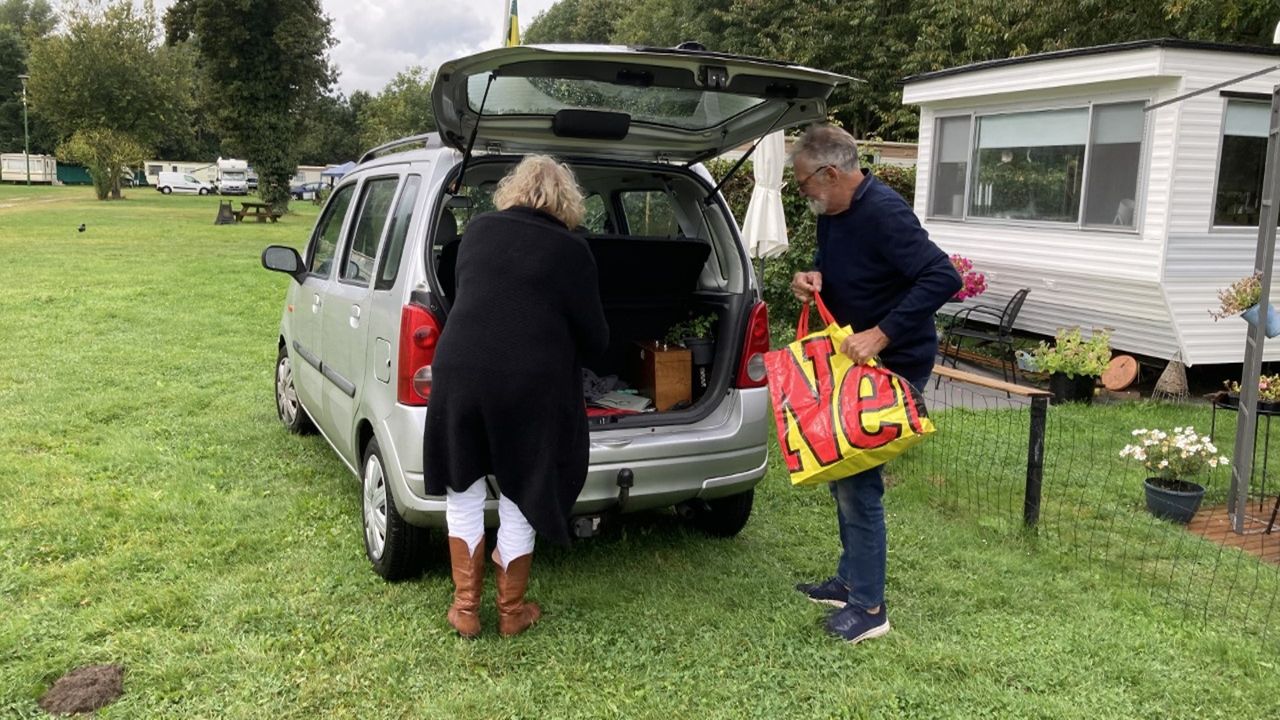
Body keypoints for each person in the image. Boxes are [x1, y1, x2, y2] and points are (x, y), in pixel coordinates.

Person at [787, 124, 962, 645]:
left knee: (860, 479)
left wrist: (882, 335)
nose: (803, 195)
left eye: (803, 185)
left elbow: (942, 276)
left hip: (893, 363)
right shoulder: (833, 214)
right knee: (842, 469)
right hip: (852, 364)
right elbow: (844, 270)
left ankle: (869, 608)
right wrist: (813, 277)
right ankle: (849, 581)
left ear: (831, 173)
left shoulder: (883, 211)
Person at [424, 155, 609, 638]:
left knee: (462, 486)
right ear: (566, 200)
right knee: (522, 489)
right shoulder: (572, 250)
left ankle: (465, 609)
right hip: (530, 383)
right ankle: (511, 611)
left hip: (459, 369)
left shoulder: (479, 232)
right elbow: (596, 338)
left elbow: (469, 293)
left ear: (512, 190)